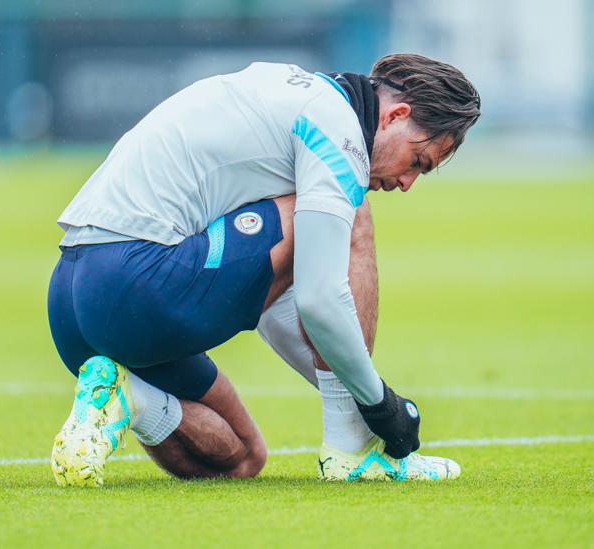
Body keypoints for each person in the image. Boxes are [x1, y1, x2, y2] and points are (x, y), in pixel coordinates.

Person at [47, 53, 481, 486]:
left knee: (241, 456)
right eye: (418, 161)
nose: (407, 183)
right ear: (396, 115)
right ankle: (353, 452)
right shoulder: (339, 131)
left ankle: (127, 397)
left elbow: (274, 296)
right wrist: (379, 403)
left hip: (72, 299)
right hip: (137, 285)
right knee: (354, 210)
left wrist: (358, 397)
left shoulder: (291, 90)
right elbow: (318, 299)